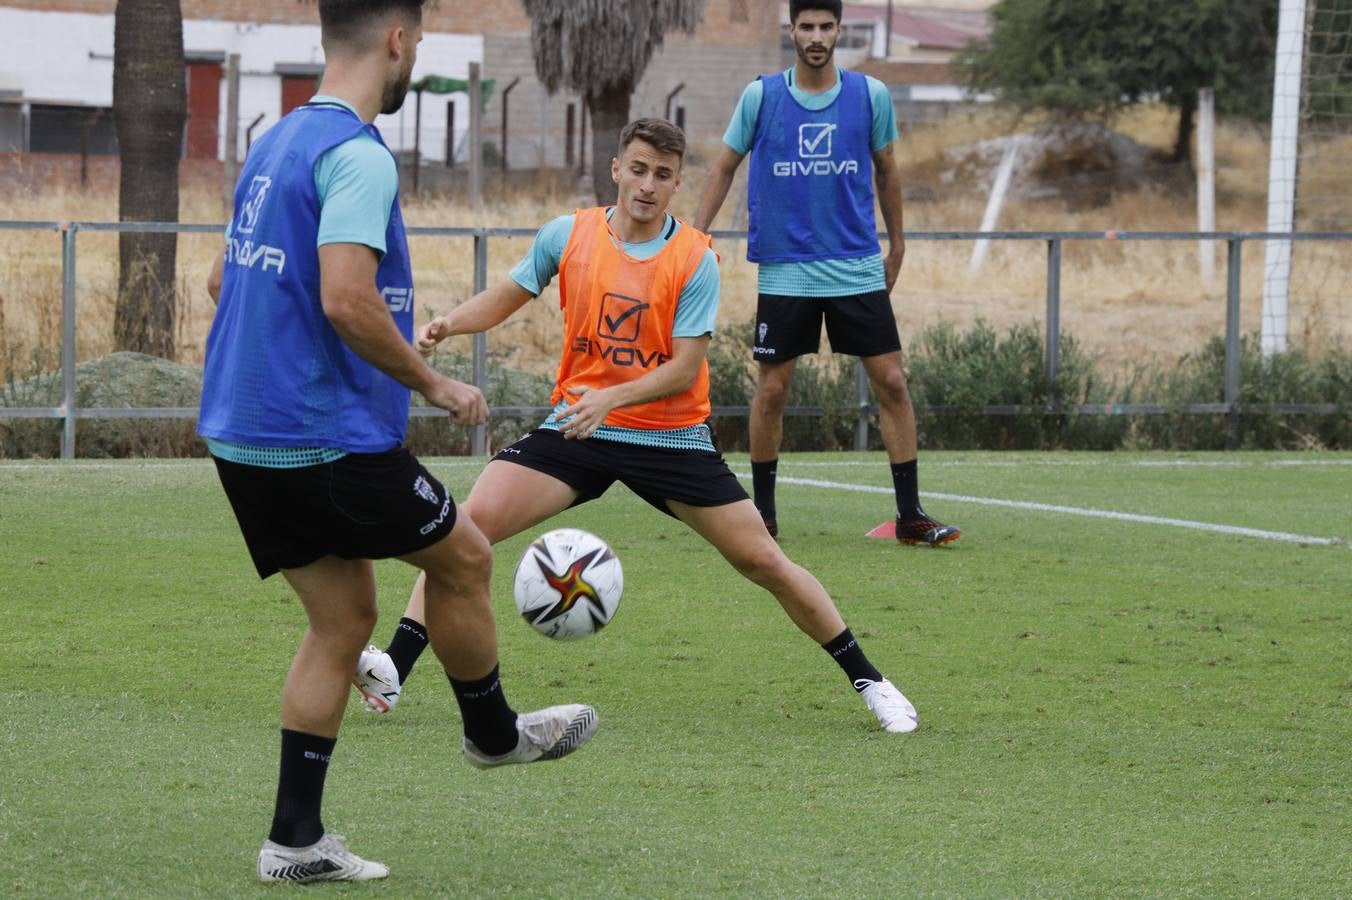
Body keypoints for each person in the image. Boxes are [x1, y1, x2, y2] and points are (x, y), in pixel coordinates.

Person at [350, 117, 920, 737]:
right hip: (577, 429)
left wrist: (610, 399)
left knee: (765, 562)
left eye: (664, 175)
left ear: (678, 183)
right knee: (463, 531)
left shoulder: (694, 259)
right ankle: (392, 669)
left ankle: (873, 683)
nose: (648, 185)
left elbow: (683, 369)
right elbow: (509, 294)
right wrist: (447, 325)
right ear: (617, 169)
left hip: (668, 438)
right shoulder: (567, 234)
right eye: (639, 169)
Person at [198, 0, 596, 883]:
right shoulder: (359, 155)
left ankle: (293, 841)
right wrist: (435, 382)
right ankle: (494, 736)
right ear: (397, 40)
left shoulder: (275, 143)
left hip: (241, 430)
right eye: (416, 39)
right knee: (464, 556)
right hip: (321, 437)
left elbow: (228, 277)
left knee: (341, 620)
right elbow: (345, 297)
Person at [691, 0, 960, 546]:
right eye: (806, 26)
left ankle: (910, 516)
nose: (816, 36)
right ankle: (762, 519)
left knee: (890, 381)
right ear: (790, 30)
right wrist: (693, 239)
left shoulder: (871, 95)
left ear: (839, 30)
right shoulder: (761, 96)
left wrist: (898, 246)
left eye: (825, 26)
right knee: (772, 391)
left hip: (856, 265)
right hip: (786, 268)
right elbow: (723, 167)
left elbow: (888, 171)